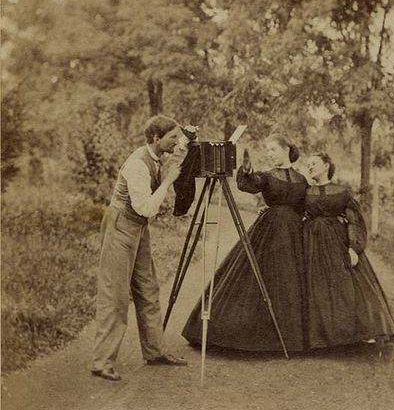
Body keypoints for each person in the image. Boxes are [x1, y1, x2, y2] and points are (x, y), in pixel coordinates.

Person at [182, 134, 308, 352]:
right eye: (267, 150)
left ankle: (291, 338)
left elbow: (304, 206)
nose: (270, 154)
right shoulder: (267, 176)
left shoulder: (302, 179)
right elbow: (251, 184)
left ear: (287, 149)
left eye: (273, 150)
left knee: (290, 279)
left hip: (294, 234)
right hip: (270, 232)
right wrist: (247, 170)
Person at [91, 115, 190, 381]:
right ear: (156, 139)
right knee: (116, 295)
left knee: (148, 288)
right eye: (172, 137)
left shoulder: (158, 155)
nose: (176, 141)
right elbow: (145, 207)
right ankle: (102, 362)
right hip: (121, 225)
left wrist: (184, 145)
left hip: (139, 228)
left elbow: (178, 153)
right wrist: (169, 181)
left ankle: (155, 351)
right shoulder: (137, 164)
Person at [303, 152, 394, 350]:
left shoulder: (342, 192)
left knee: (347, 285)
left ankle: (356, 334)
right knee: (317, 287)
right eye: (308, 165)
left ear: (326, 166)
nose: (310, 167)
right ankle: (322, 339)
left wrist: (354, 248)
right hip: (312, 244)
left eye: (314, 164)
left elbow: (355, 220)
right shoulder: (306, 192)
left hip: (337, 243)